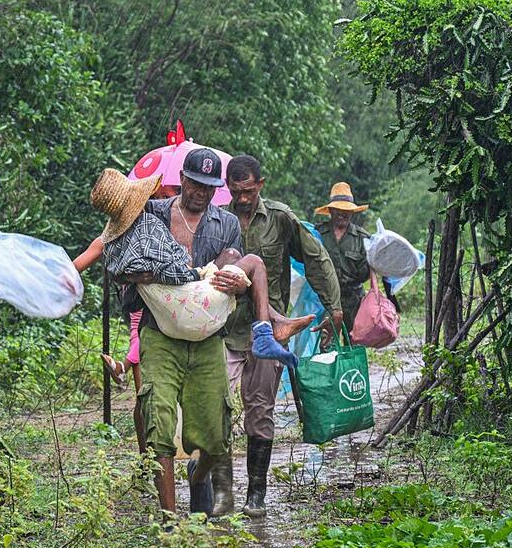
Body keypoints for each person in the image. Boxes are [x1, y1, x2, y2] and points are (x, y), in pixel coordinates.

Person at [117, 147, 246, 519]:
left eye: (209, 186)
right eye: (196, 184)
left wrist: (235, 282)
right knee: (158, 419)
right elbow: (119, 259)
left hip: (207, 338)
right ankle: (170, 520)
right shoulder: (152, 215)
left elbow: (235, 270)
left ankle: (198, 476)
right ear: (182, 181)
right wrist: (139, 275)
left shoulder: (227, 225)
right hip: (161, 335)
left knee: (216, 434)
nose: (202, 193)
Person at [219, 155, 343, 518]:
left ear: (261, 184)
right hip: (223, 331)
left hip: (268, 332)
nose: (242, 198)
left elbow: (316, 258)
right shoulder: (218, 221)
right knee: (215, 411)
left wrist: (333, 308)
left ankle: (255, 494)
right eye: (235, 191)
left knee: (260, 411)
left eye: (248, 191)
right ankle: (222, 493)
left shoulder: (280, 218)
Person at [90, 168, 314, 362]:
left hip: (172, 310)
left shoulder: (116, 242)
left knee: (231, 255)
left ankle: (273, 320)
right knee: (253, 261)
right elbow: (170, 270)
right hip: (187, 302)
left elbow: (121, 272)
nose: (202, 192)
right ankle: (267, 331)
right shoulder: (148, 225)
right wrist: (196, 273)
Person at [73, 183, 181, 456]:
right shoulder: (148, 231)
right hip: (155, 316)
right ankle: (149, 459)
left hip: (163, 315)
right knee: (146, 394)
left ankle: (150, 458)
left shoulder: (112, 238)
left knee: (146, 394)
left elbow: (76, 266)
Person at [314, 182, 371, 333]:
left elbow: (371, 270)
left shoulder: (362, 238)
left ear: (352, 212)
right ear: (331, 210)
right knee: (326, 343)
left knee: (354, 343)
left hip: (354, 300)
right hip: (325, 301)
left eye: (346, 210)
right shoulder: (317, 234)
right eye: (338, 209)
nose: (342, 213)